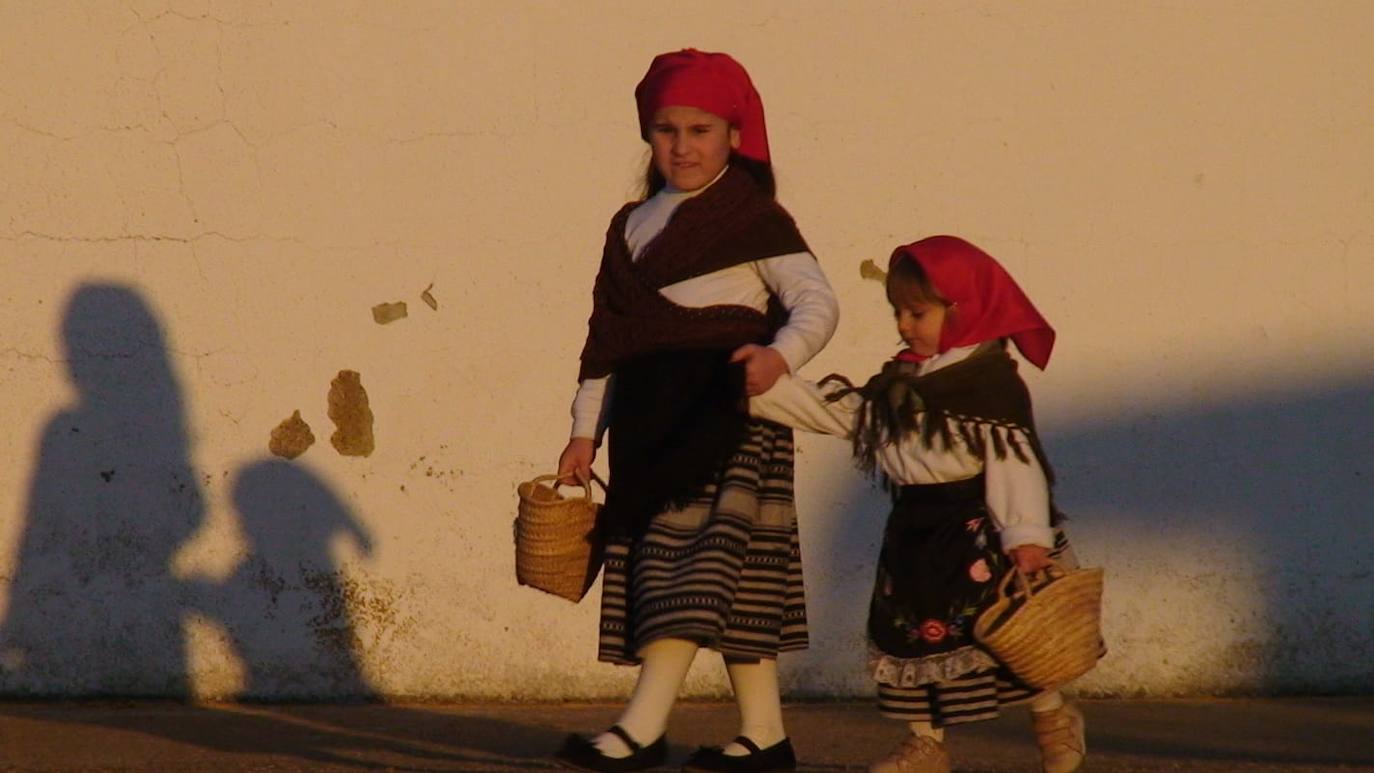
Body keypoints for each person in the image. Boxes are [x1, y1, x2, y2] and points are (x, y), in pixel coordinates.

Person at [553, 49, 839, 772]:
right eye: (665, 129)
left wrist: (781, 355)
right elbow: (607, 342)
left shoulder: (753, 217)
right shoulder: (629, 227)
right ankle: (766, 738)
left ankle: (641, 728)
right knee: (733, 587)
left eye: (701, 129)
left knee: (690, 573)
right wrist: (585, 431)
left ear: (734, 136)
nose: (682, 146)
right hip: (651, 426)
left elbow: (817, 301)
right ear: (648, 135)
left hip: (728, 419)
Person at [749, 235, 1098, 773]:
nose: (904, 324)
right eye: (898, 312)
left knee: (1011, 638)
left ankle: (1054, 718)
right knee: (913, 640)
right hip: (914, 531)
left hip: (979, 531)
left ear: (967, 308)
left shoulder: (988, 386)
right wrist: (765, 389)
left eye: (918, 311)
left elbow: (1016, 466)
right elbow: (846, 413)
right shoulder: (903, 383)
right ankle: (926, 745)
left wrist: (1027, 539)